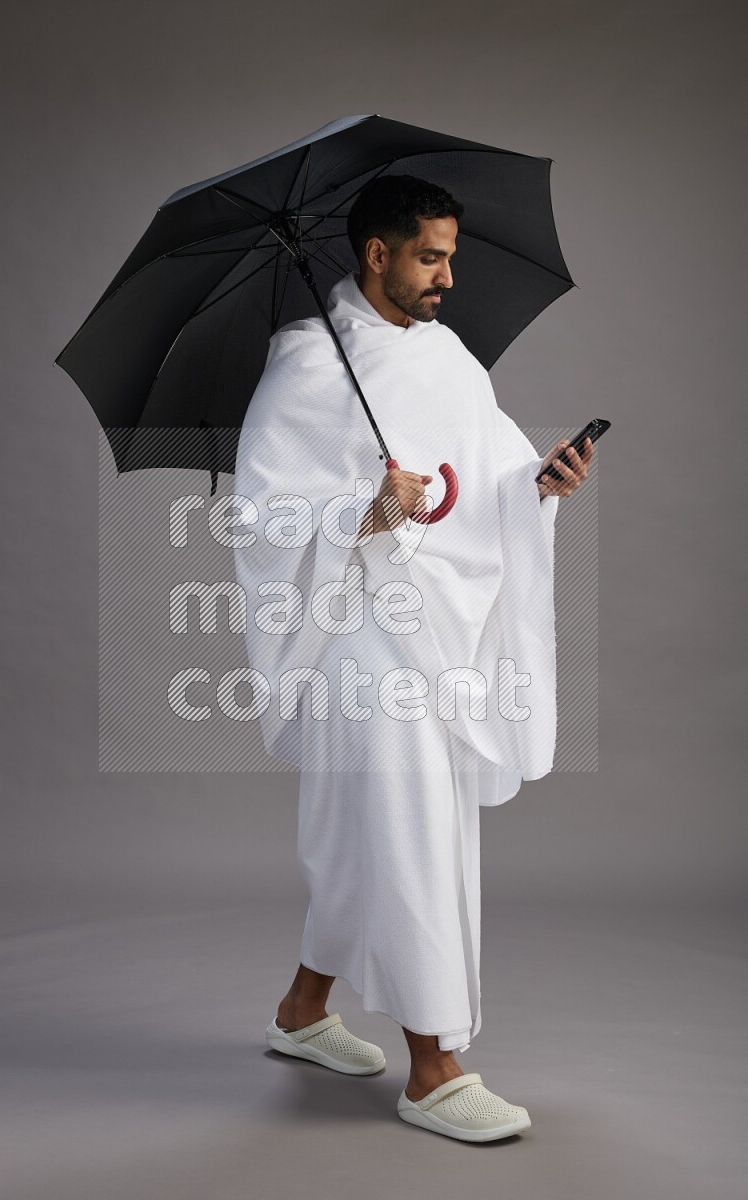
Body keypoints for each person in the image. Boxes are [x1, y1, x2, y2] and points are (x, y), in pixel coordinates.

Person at [232, 174, 594, 1142]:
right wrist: (363, 507)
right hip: (355, 637)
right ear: (375, 254)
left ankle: (301, 1013)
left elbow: (488, 476)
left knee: (367, 834)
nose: (444, 277)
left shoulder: (449, 361)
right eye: (428, 257)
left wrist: (539, 485)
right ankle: (433, 1068)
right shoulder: (306, 364)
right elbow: (260, 519)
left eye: (449, 257)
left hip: (431, 626)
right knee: (411, 827)